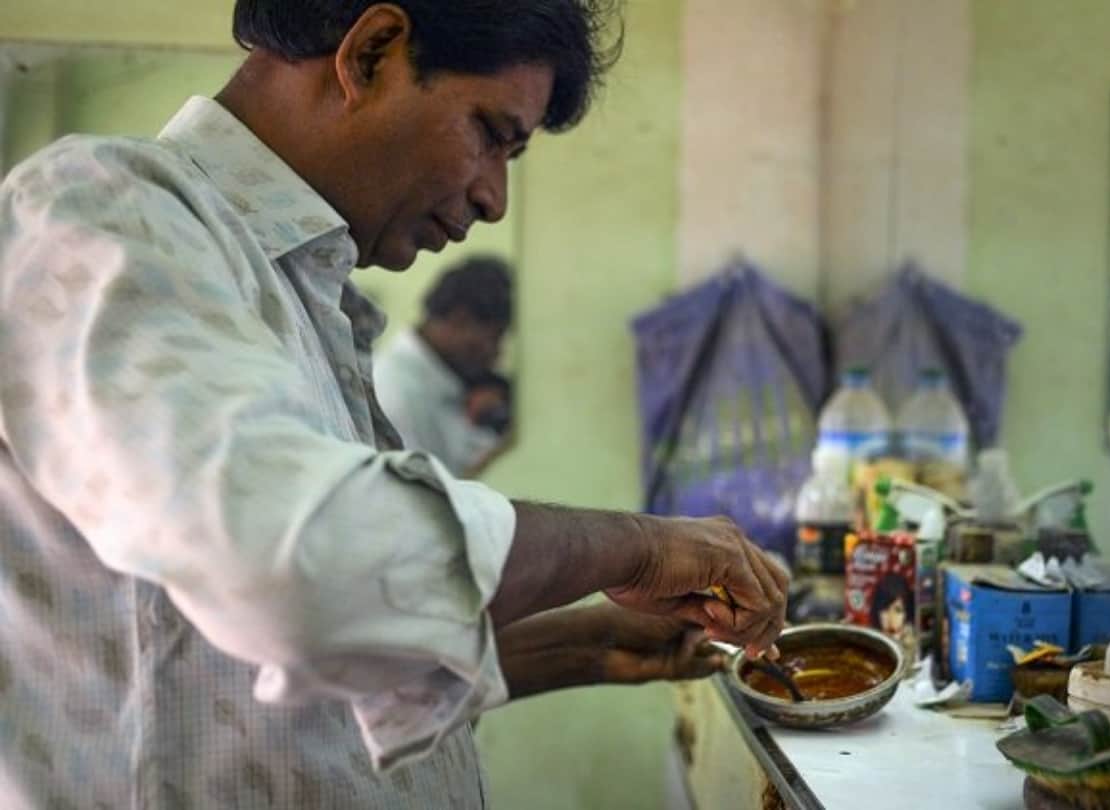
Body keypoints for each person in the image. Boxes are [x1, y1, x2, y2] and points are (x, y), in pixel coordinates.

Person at [0, 1, 788, 808]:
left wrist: (579, 646)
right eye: (490, 133)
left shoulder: (289, 295)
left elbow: (274, 674)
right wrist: (637, 550)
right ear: (372, 52)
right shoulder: (107, 218)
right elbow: (300, 574)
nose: (493, 199)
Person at [374, 255, 515, 476]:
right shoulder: (393, 393)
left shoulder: (450, 382)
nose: (496, 353)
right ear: (461, 319)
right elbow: (416, 497)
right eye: (496, 336)